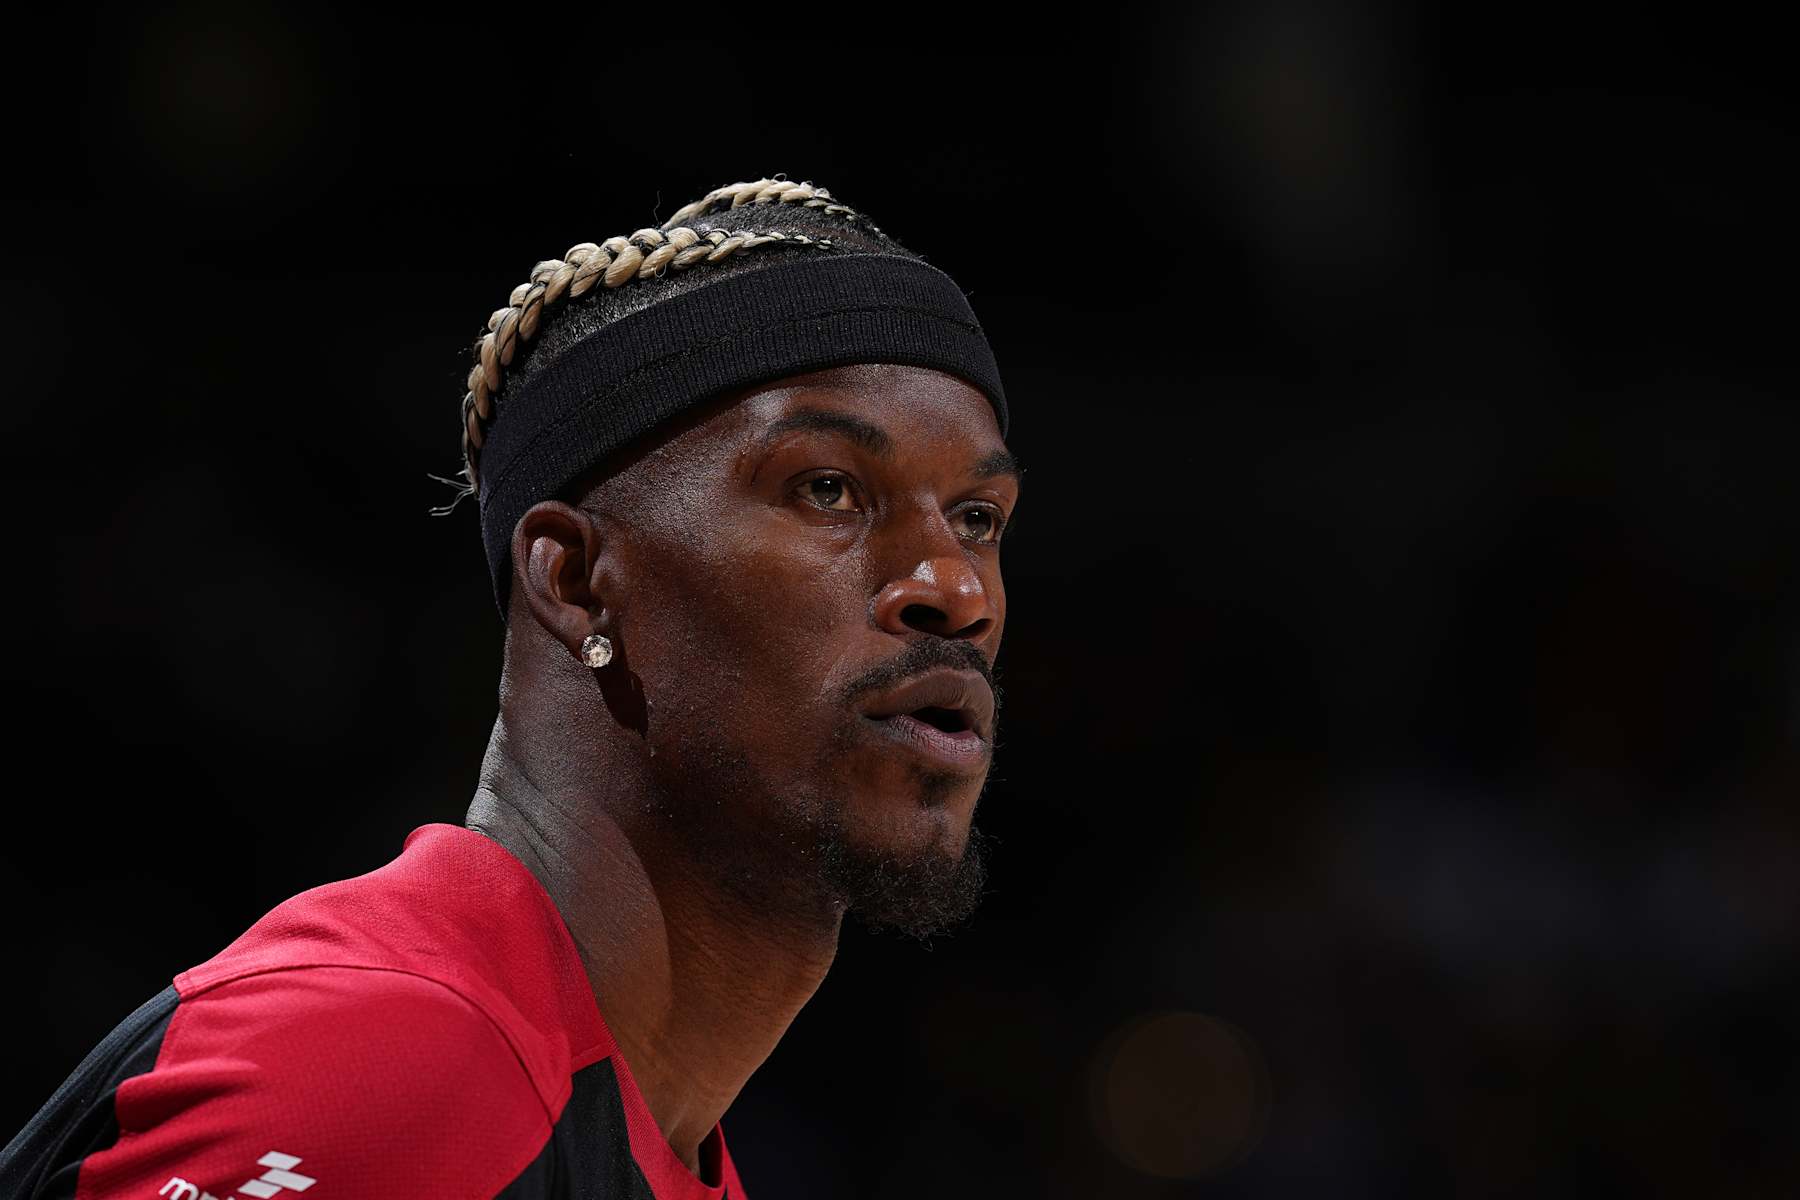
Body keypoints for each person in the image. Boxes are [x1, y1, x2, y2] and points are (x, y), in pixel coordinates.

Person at [0, 176, 1020, 1199]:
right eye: (829, 490)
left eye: (978, 516)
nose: (956, 590)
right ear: (576, 583)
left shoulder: (600, 1130)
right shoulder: (391, 1072)